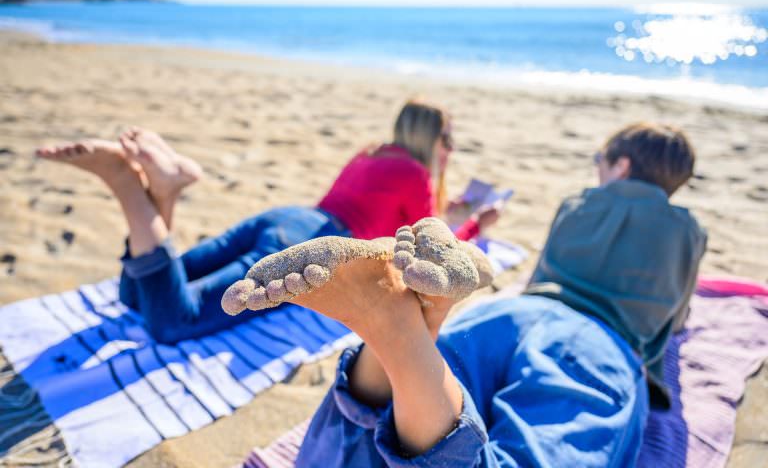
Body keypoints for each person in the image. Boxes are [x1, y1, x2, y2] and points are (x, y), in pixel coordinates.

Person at [285, 122, 706, 467]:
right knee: (537, 451)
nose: (598, 169)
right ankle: (401, 342)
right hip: (596, 343)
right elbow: (675, 320)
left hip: (513, 313)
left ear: (622, 165)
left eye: (600, 161)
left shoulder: (578, 204)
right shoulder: (690, 232)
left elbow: (545, 272)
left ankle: (397, 346)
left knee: (433, 379)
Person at [35, 99, 499, 344]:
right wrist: (474, 226)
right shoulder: (416, 173)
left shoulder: (371, 154)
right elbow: (431, 253)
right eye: (448, 138)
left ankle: (165, 191)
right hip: (308, 244)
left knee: (133, 293)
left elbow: (386, 211)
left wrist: (449, 211)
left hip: (287, 218)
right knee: (174, 320)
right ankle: (127, 185)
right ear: (431, 139)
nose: (452, 148)